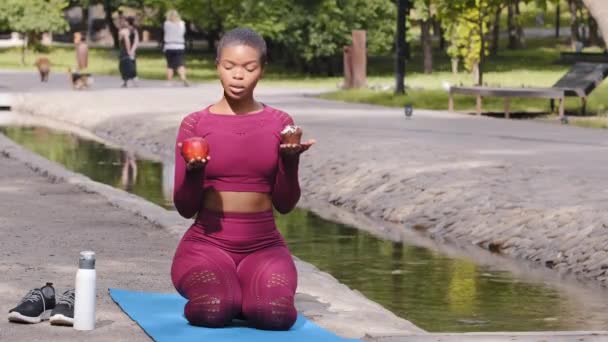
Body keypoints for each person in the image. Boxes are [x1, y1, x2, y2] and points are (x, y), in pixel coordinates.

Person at [170, 28, 315, 330]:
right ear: (217, 67)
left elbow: (285, 205)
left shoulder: (280, 123)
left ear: (261, 70)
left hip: (264, 246)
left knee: (275, 315)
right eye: (229, 67)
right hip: (206, 246)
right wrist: (195, 172)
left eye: (249, 68)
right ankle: (229, 294)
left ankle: (247, 293)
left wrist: (290, 162)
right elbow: (185, 208)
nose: (238, 76)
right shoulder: (195, 124)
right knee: (214, 309)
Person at [163, 9, 189, 86]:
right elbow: (183, 33)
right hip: (179, 46)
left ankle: (169, 81)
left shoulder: (166, 24)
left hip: (169, 46)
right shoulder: (182, 23)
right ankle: (183, 78)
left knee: (170, 64)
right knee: (180, 64)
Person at [118, 16, 139, 88]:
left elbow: (127, 41)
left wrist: (128, 51)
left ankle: (126, 81)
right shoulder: (135, 30)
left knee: (124, 65)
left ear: (127, 22)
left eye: (125, 21)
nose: (124, 22)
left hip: (125, 50)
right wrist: (133, 50)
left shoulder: (124, 31)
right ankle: (132, 80)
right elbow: (136, 41)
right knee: (132, 64)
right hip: (133, 51)